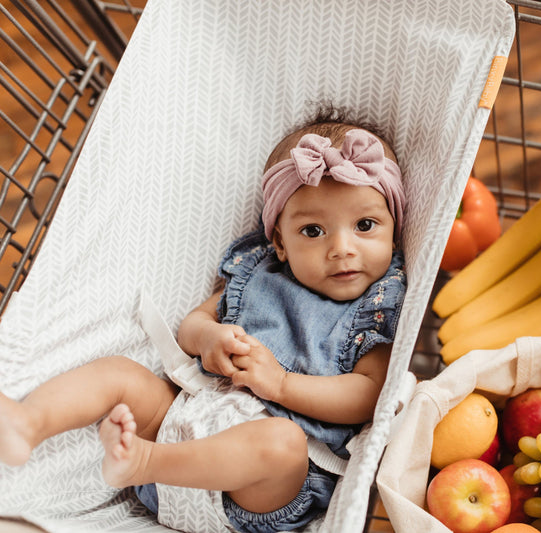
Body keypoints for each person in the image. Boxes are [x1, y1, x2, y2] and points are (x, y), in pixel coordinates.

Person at [0, 109, 407, 532]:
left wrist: (282, 385)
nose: (342, 248)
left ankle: (142, 461)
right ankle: (29, 423)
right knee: (122, 375)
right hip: (185, 421)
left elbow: (367, 394)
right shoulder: (257, 273)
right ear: (280, 243)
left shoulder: (376, 307)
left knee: (280, 443)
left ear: (393, 232)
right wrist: (209, 337)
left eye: (364, 225)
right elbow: (191, 326)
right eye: (312, 231)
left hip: (259, 490)